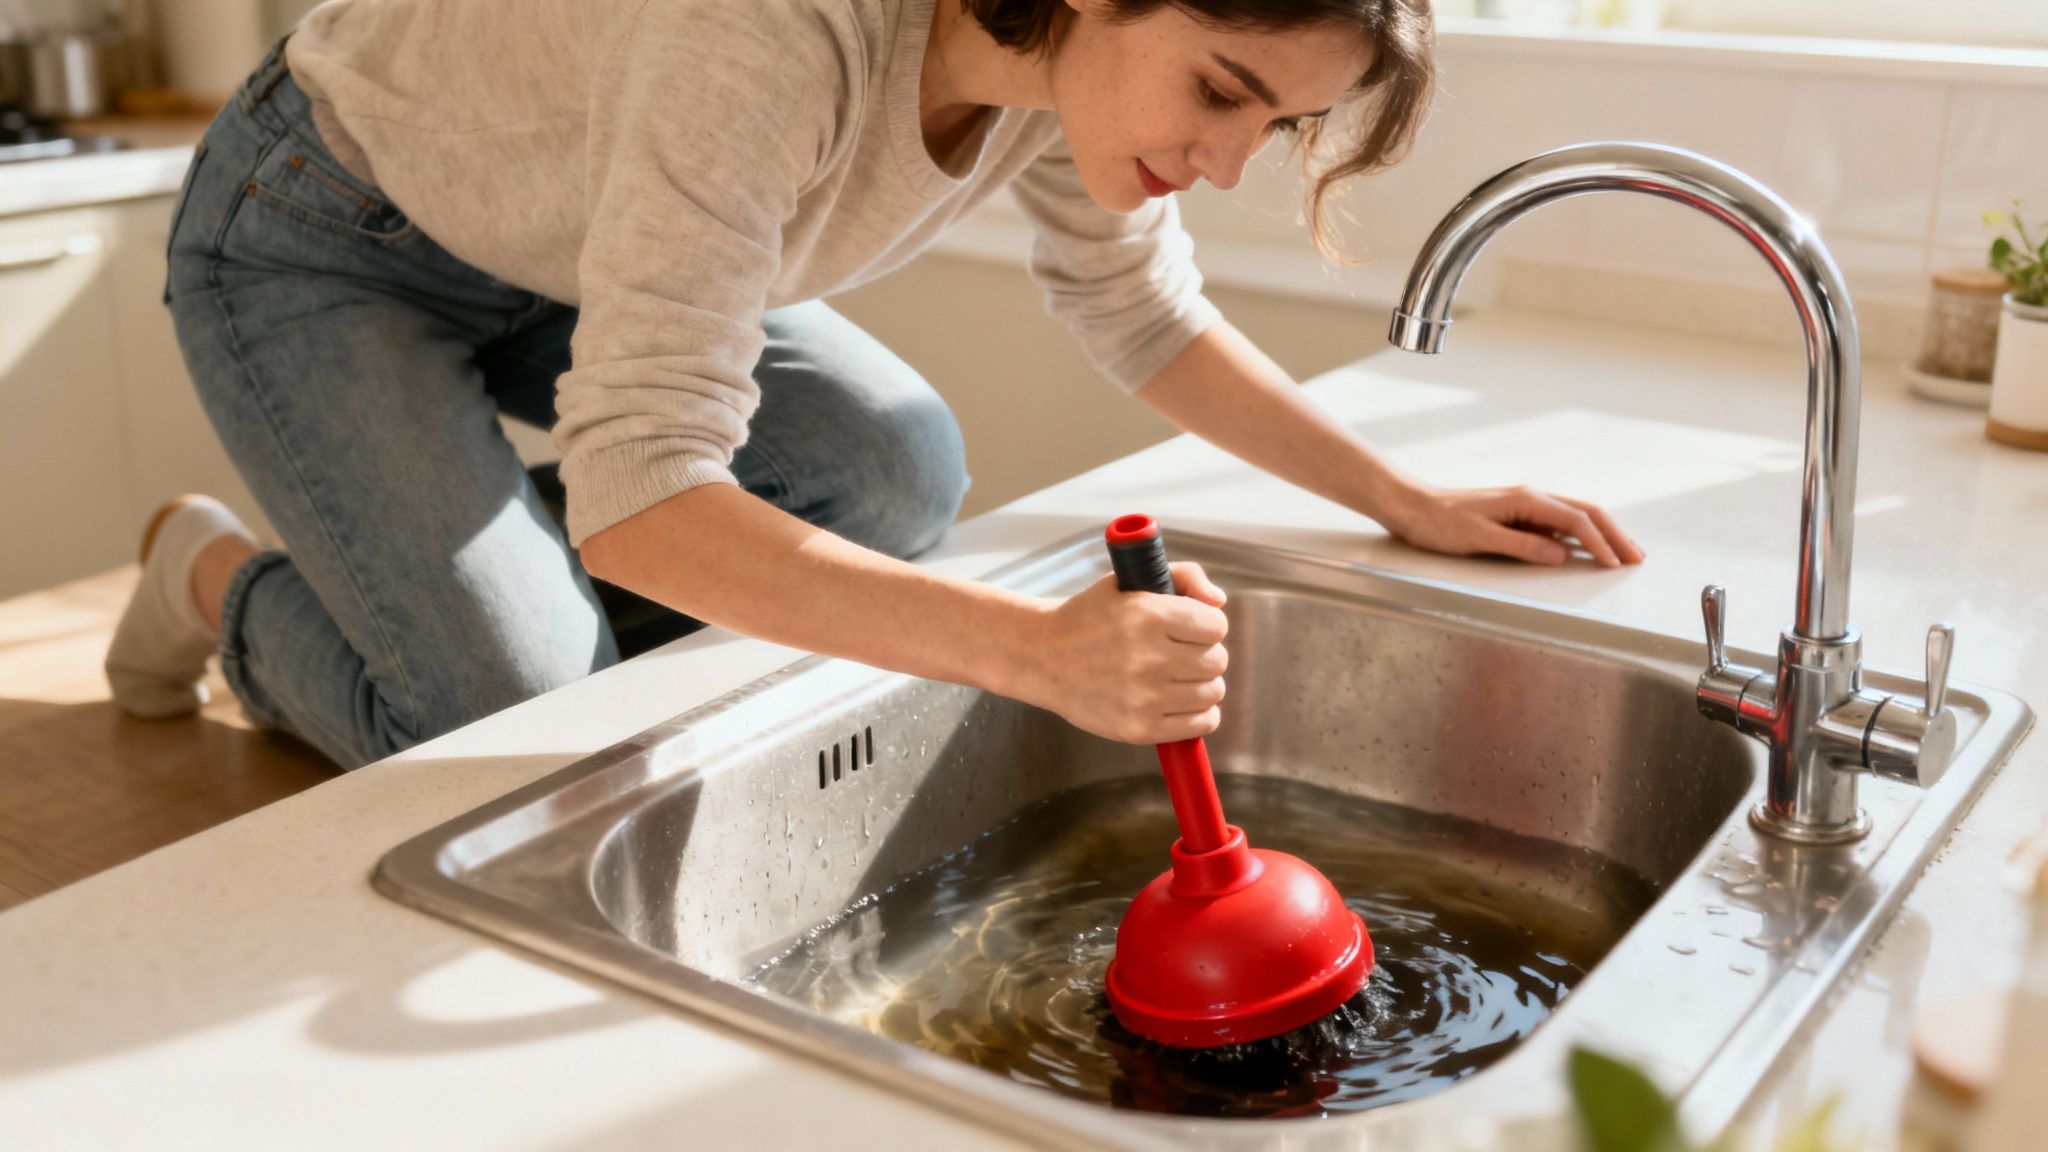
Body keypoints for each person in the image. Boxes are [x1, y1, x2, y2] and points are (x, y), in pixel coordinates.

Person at [104, 0, 1644, 771]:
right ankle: (216, 577)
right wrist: (1038, 654)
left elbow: (1142, 309)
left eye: (1277, 128)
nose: (1230, 161)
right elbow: (644, 494)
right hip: (324, 229)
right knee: (511, 709)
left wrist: (1404, 497)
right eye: (1225, 93)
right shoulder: (766, 40)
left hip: (571, 236)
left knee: (895, 465)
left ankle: (449, 555)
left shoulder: (1065, 72)